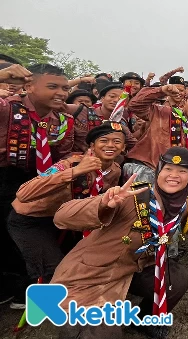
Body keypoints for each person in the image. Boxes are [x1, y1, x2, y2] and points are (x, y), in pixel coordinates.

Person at [51, 147, 188, 339]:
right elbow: (61, 217)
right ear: (159, 171)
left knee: (176, 278)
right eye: (168, 169)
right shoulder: (133, 196)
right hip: (94, 274)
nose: (174, 176)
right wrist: (103, 203)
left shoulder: (186, 205)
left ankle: (141, 321)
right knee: (101, 338)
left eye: (182, 171)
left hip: (135, 268)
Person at [7, 122, 125, 307]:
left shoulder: (115, 171)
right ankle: (38, 304)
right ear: (91, 146)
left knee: (77, 263)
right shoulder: (69, 164)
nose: (111, 145)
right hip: (32, 220)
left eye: (117, 141)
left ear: (123, 147)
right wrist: (74, 172)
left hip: (66, 221)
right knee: (53, 268)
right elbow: (24, 193)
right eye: (104, 140)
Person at [1, 64, 76, 306]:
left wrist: (64, 168)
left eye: (65, 88)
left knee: (34, 232)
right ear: (29, 86)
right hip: (5, 177)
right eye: (52, 86)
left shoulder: (64, 120)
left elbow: (66, 153)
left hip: (40, 181)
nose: (61, 93)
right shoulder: (8, 109)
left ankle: (32, 284)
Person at [124, 83, 188, 183]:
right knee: (140, 198)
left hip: (171, 174)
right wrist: (161, 90)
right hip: (146, 167)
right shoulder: (160, 111)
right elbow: (135, 105)